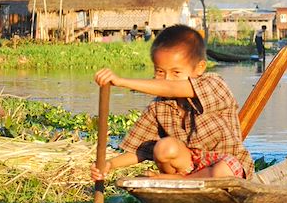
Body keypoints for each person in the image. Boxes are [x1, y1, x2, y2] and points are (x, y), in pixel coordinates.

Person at [90, 24, 254, 181]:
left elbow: (171, 87)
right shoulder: (158, 107)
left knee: (222, 170)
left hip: (226, 166)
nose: (167, 78)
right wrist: (109, 164)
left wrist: (121, 81)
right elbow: (140, 151)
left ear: (200, 68)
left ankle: (177, 181)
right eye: (160, 71)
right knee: (164, 147)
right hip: (187, 166)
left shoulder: (214, 85)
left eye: (176, 72)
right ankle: (181, 180)